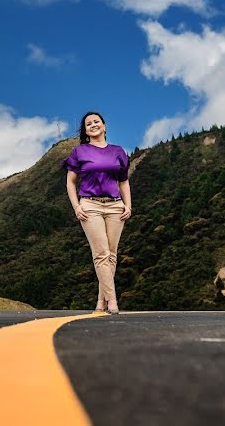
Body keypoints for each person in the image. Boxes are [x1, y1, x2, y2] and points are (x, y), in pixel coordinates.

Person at [64, 111, 132, 314]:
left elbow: (123, 181)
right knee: (101, 254)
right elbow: (70, 182)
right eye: (88, 123)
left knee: (111, 256)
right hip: (90, 205)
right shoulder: (79, 152)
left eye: (96, 121)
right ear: (85, 130)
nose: (93, 125)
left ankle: (101, 302)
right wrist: (77, 207)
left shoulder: (118, 151)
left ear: (104, 125)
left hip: (115, 206)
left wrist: (128, 205)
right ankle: (112, 301)